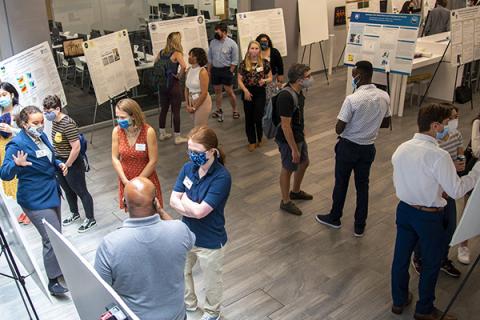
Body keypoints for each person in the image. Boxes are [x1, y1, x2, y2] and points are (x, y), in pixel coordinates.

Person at [390, 104, 480, 320]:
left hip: (404, 210)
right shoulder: (438, 156)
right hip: (429, 216)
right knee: (431, 263)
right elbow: (456, 190)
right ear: (435, 125)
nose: (449, 128)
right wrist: (476, 172)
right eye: (447, 123)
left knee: (400, 259)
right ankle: (424, 309)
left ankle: (399, 300)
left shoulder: (401, 148)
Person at [95, 177, 195, 320]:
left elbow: (101, 288)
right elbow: (189, 239)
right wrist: (161, 212)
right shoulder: (179, 230)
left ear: (124, 204)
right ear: (156, 202)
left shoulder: (110, 244)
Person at [0, 106, 69, 295]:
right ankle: (53, 281)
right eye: (35, 123)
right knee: (51, 238)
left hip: (52, 192)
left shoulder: (41, 137)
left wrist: (58, 163)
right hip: (34, 198)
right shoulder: (17, 144)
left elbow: (49, 157)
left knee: (58, 235)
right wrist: (16, 163)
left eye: (41, 122)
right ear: (23, 124)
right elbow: (4, 173)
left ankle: (61, 268)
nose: (40, 126)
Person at [316, 61, 390, 236]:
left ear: (360, 75)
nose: (352, 78)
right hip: (368, 148)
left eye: (353, 74)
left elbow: (338, 128)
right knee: (362, 186)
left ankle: (335, 217)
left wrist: (356, 125)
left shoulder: (352, 99)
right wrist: (368, 125)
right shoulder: (384, 96)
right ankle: (359, 225)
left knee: (341, 183)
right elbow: (386, 123)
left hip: (348, 147)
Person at [170, 126, 231, 320]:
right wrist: (192, 208)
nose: (192, 156)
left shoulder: (222, 177)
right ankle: (189, 305)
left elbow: (200, 212)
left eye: (197, 152)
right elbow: (172, 201)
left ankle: (212, 312)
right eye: (190, 150)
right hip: (187, 236)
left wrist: (186, 202)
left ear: (212, 151)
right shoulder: (188, 168)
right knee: (181, 273)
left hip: (211, 241)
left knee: (212, 282)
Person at [411, 105, 462, 278]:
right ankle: (419, 257)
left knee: (450, 227)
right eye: (450, 119)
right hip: (434, 193)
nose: (453, 122)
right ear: (437, 124)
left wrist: (458, 165)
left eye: (456, 117)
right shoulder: (431, 141)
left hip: (449, 188)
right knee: (426, 230)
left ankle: (442, 258)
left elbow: (460, 155)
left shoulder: (456, 135)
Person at [42, 95, 96, 232]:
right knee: (67, 189)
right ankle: (74, 213)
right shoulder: (55, 121)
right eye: (45, 112)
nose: (47, 115)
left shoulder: (67, 123)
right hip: (60, 162)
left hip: (72, 163)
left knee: (81, 191)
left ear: (58, 109)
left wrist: (68, 164)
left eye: (49, 112)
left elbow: (76, 147)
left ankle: (90, 218)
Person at [111, 98, 163, 211]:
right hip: (126, 179)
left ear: (133, 116)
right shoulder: (117, 131)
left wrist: (138, 181)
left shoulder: (148, 132)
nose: (119, 120)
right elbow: (115, 158)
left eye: (123, 117)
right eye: (117, 117)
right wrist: (125, 181)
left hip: (146, 178)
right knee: (133, 212)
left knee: (151, 211)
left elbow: (153, 160)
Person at [276, 63, 314, 216]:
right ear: (299, 80)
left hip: (298, 135)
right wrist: (293, 149)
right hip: (288, 139)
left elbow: (298, 115)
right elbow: (285, 126)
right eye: (308, 76)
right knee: (288, 168)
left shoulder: (300, 92)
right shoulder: (286, 96)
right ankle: (285, 201)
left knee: (304, 162)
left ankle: (295, 191)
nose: (311, 79)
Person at [0, 82, 27, 224]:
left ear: (11, 94)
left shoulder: (19, 112)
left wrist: (12, 130)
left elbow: (29, 132)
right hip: (3, 151)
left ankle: (29, 210)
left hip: (17, 151)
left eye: (4, 95)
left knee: (21, 181)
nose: (1, 98)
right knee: (11, 182)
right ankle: (25, 209)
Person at [237, 40, 272, 151]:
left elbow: (270, 78)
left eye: (256, 48)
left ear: (259, 50)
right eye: (252, 48)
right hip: (247, 92)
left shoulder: (265, 63)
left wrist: (265, 81)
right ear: (248, 50)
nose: (254, 50)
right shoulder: (243, 64)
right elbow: (239, 80)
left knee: (258, 116)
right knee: (249, 118)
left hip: (260, 92)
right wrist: (245, 91)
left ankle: (260, 138)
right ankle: (251, 141)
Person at [155, 32, 188, 144]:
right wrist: (179, 75)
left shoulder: (161, 53)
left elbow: (155, 64)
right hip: (173, 85)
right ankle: (177, 137)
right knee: (176, 111)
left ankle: (162, 133)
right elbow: (184, 66)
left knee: (163, 109)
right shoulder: (177, 54)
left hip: (162, 85)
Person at [457, 112, 480, 264]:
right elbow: (477, 150)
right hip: (476, 169)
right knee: (469, 208)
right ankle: (463, 245)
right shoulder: (477, 123)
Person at [208, 22, 239, 122]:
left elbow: (234, 61)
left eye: (218, 32)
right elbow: (210, 58)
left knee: (229, 92)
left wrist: (230, 71)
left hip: (226, 70)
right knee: (217, 92)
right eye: (215, 31)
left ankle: (235, 110)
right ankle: (218, 110)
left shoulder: (232, 44)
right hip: (215, 70)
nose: (216, 33)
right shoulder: (213, 42)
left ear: (225, 32)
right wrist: (209, 71)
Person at [185, 47, 212, 127]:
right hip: (191, 100)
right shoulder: (189, 70)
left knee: (199, 127)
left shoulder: (202, 72)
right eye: (189, 55)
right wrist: (187, 104)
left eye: (192, 56)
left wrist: (194, 107)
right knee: (197, 126)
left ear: (198, 58)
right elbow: (186, 88)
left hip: (202, 101)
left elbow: (204, 93)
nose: (189, 58)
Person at [255, 33, 285, 100]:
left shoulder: (274, 51)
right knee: (261, 97)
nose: (264, 43)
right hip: (259, 79)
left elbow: (280, 65)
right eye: (261, 41)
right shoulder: (255, 51)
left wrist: (280, 78)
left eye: (265, 41)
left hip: (272, 78)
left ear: (268, 42)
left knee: (272, 97)